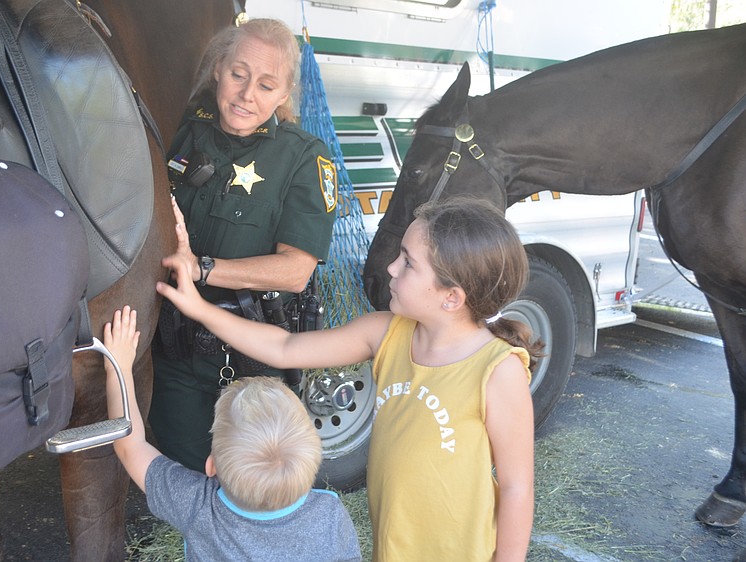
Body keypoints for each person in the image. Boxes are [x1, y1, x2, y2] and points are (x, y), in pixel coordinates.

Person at [158, 194, 540, 561]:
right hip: (392, 547)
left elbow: (516, 487)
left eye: (407, 263)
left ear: (451, 297)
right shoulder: (388, 332)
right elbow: (286, 348)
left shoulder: (498, 370)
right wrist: (200, 309)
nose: (391, 267)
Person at [150, 16, 338, 473]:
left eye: (266, 85)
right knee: (188, 481)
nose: (247, 94)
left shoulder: (304, 157)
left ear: (284, 93)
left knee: (254, 491)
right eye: (239, 74)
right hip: (175, 356)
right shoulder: (182, 131)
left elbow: (296, 270)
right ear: (218, 68)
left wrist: (203, 269)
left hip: (254, 366)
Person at [103, 306, 361, 562]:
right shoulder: (330, 514)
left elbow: (130, 447)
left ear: (211, 465)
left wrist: (119, 368)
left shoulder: (199, 506)